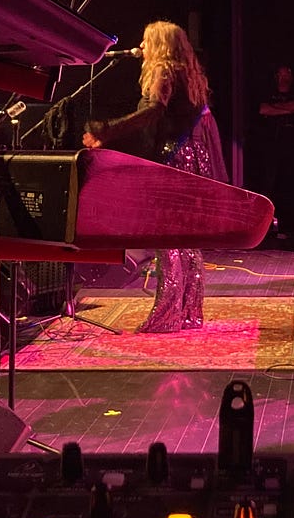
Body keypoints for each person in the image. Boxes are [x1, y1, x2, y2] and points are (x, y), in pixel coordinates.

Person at [82, 21, 227, 333]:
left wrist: (106, 130)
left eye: (147, 42)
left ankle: (167, 316)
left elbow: (151, 112)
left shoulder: (162, 70)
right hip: (193, 157)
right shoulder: (188, 72)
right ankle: (189, 313)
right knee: (187, 240)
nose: (142, 47)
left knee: (168, 238)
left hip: (175, 159)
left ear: (160, 44)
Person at [255, 64, 294, 239]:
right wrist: (284, 110)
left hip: (290, 147)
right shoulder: (268, 92)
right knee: (268, 186)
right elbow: (262, 109)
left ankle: (288, 225)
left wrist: (275, 109)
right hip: (270, 146)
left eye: (287, 74)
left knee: (288, 186)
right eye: (281, 74)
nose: (284, 78)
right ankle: (265, 227)